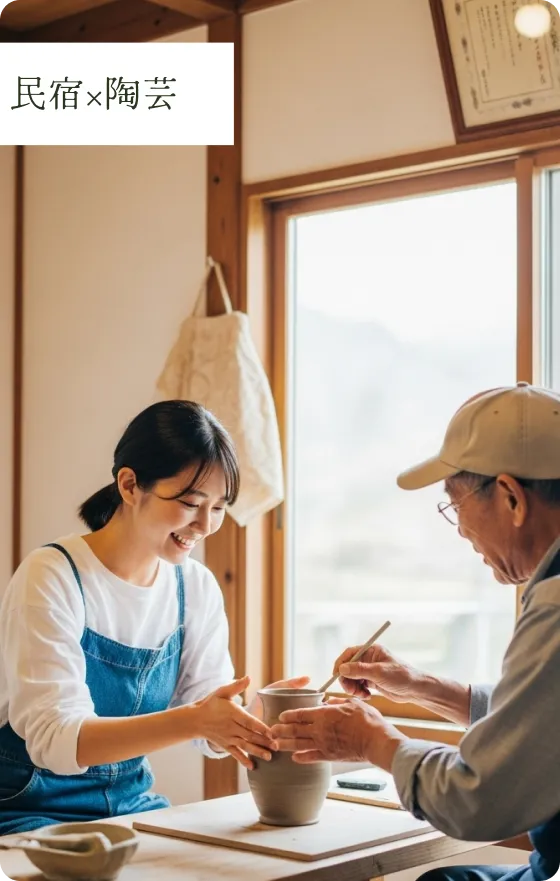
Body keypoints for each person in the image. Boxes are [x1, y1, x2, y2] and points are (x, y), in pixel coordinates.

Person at [272, 383, 560, 881]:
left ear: (511, 497)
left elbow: (478, 800)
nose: (460, 530)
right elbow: (541, 720)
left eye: (456, 503)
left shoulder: (555, 608)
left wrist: (371, 741)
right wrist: (419, 686)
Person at [0, 400, 304, 835]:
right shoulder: (52, 575)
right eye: (190, 502)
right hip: (26, 807)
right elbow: (56, 741)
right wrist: (197, 718)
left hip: (129, 805)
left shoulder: (194, 587)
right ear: (129, 485)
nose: (205, 525)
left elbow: (208, 728)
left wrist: (251, 716)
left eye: (219, 507)